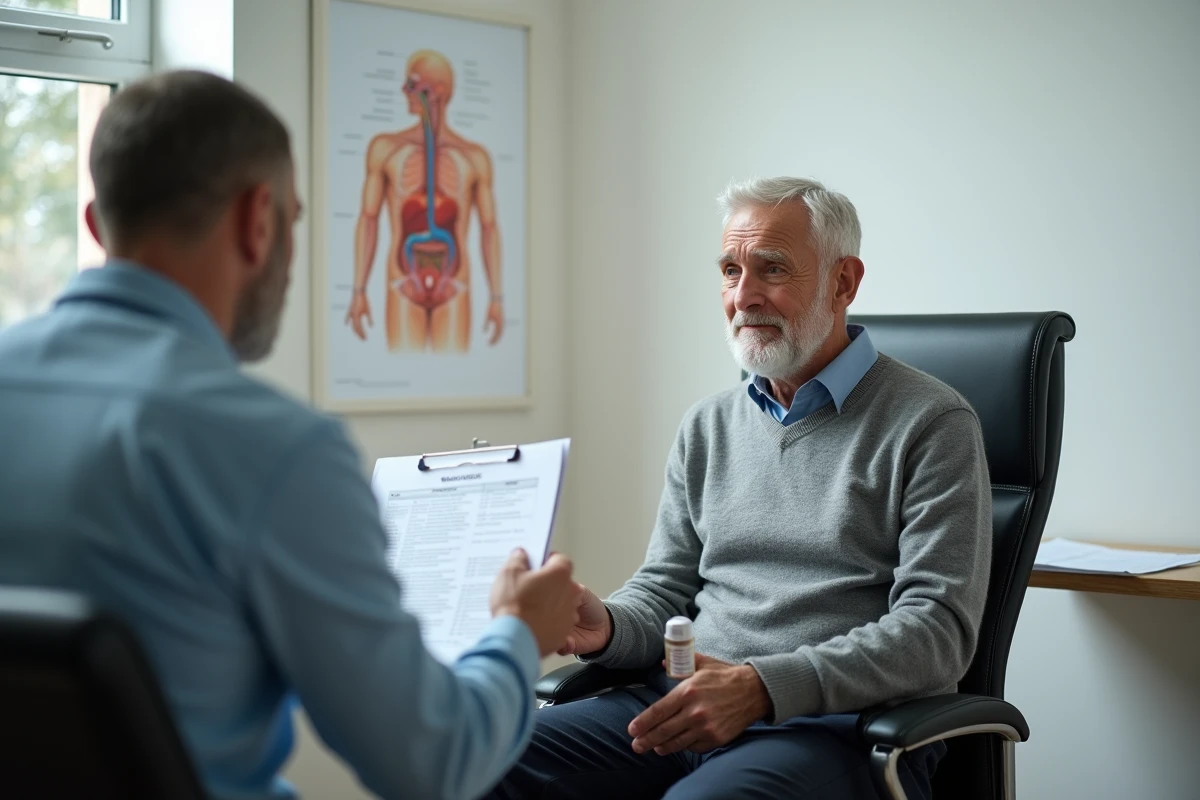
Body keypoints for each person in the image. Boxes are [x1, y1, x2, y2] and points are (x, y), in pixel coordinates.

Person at [0, 70, 580, 800]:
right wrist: (520, 630)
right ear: (259, 220)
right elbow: (435, 762)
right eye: (297, 220)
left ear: (95, 225)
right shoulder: (273, 448)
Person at [486, 177, 992, 800]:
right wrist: (611, 626)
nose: (743, 296)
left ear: (843, 283)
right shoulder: (708, 424)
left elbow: (935, 635)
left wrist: (761, 686)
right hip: (679, 705)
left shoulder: (932, 424)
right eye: (730, 270)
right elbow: (666, 588)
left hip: (833, 728)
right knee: (474, 751)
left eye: (771, 269)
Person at [345, 49, 504, 352]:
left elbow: (489, 228)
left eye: (412, 83)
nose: (404, 91)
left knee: (453, 378)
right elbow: (368, 219)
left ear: (438, 91)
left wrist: (496, 298)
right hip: (403, 281)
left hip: (454, 284)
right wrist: (359, 290)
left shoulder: (475, 158)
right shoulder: (385, 149)